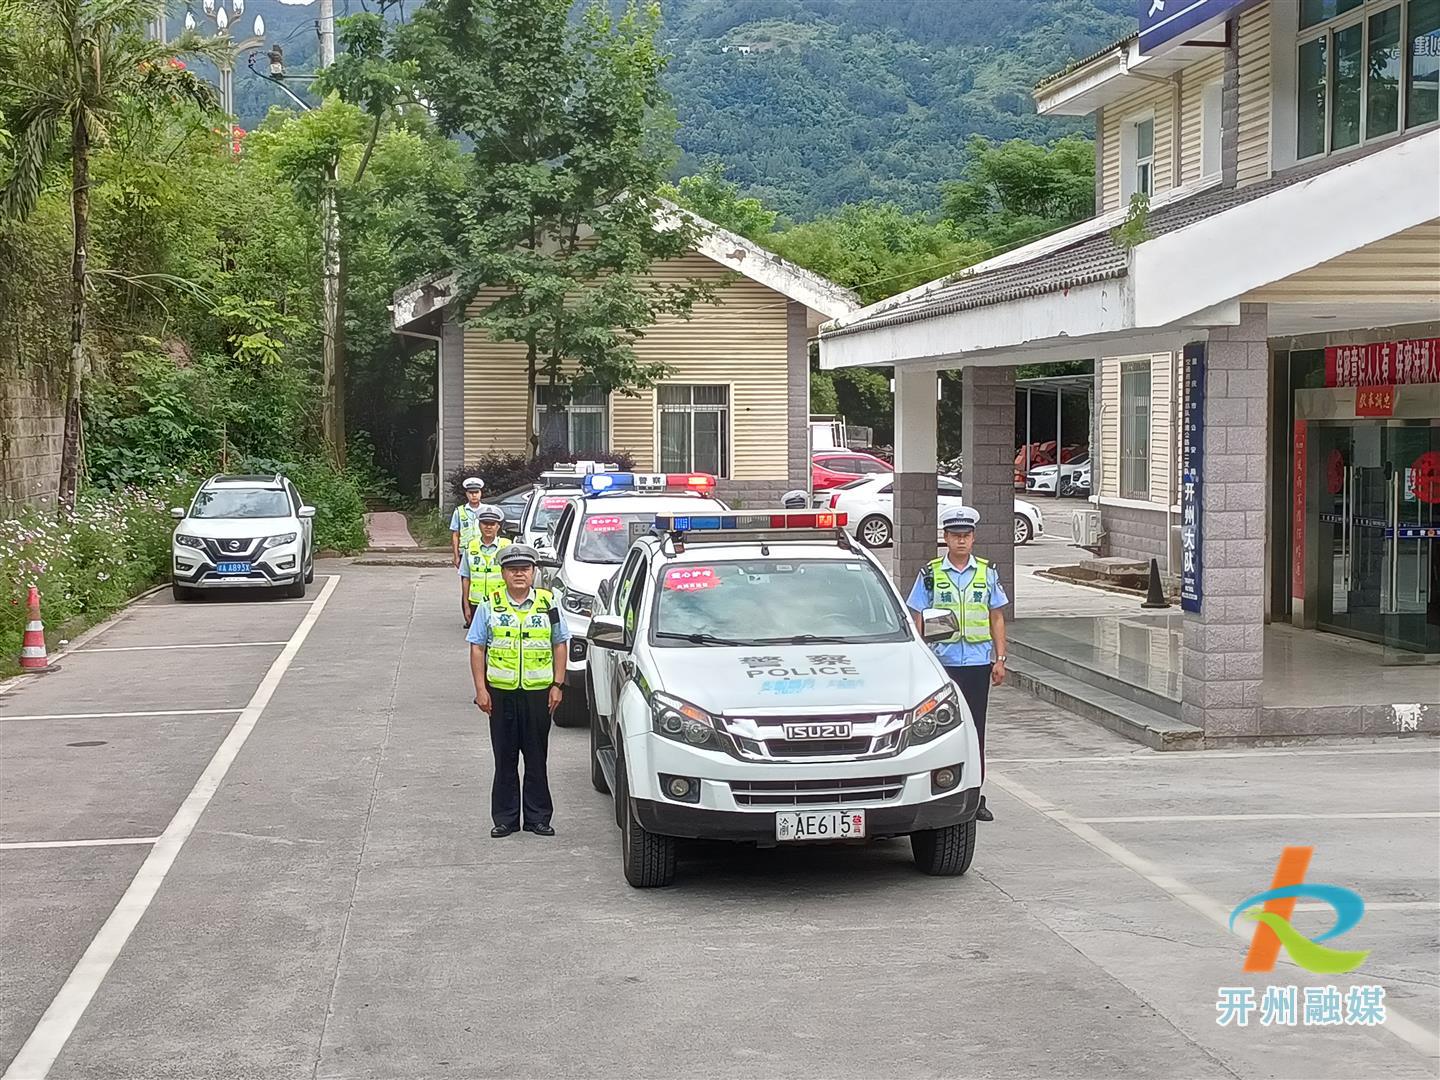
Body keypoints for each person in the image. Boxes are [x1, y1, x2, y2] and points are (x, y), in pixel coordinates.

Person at [906, 505, 1008, 823]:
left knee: (975, 730)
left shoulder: (987, 572)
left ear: (973, 538)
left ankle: (976, 796)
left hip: (977, 663)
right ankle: (945, 793)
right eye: (955, 536)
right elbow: (917, 616)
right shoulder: (930, 573)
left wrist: (1000, 659)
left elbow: (996, 617)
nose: (961, 541)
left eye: (966, 536)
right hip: (942, 664)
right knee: (939, 731)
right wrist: (919, 658)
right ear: (946, 538)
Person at [468, 544, 570, 838]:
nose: (519, 574)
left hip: (539, 693)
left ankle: (538, 818)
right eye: (513, 570)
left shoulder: (549, 603)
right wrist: (480, 690)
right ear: (503, 574)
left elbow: (559, 643)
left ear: (533, 572)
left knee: (537, 758)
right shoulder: (490, 604)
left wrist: (558, 685)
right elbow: (477, 647)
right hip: (501, 693)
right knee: (505, 757)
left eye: (525, 569)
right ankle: (506, 819)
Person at [460, 504, 511, 621]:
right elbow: (466, 578)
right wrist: (466, 606)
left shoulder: (506, 547)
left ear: (498, 526)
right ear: (479, 525)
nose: (488, 527)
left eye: (492, 524)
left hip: (501, 602)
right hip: (476, 604)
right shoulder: (471, 547)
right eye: (485, 523)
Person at [451, 477, 486, 625]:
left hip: (483, 553)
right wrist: (455, 555)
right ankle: (468, 617)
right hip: (465, 553)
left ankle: (483, 616)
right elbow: (455, 534)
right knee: (466, 584)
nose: (474, 495)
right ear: (466, 494)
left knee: (482, 585)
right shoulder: (459, 512)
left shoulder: (487, 511)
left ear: (481, 493)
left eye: (476, 492)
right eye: (471, 493)